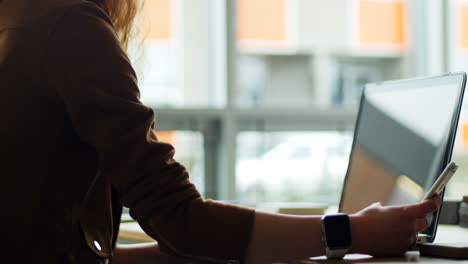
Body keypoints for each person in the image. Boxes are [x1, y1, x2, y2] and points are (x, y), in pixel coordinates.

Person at [0, 0, 442, 263]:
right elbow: (180, 218)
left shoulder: (21, 18)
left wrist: (229, 243)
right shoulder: (72, 29)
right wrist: (352, 232)